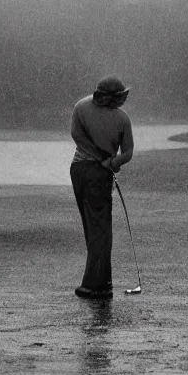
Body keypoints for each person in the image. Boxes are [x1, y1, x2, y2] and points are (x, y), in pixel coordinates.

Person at [69, 77, 135, 299]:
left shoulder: (80, 106)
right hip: (96, 174)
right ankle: (99, 283)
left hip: (79, 170)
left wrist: (108, 162)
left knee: (94, 227)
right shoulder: (122, 119)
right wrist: (109, 162)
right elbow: (127, 152)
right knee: (100, 227)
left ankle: (99, 283)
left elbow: (77, 136)